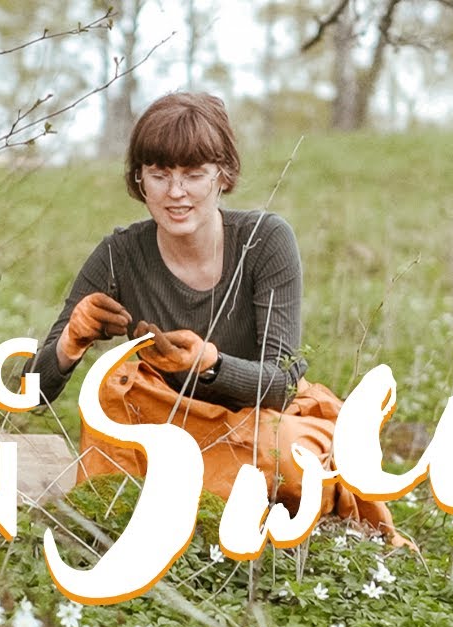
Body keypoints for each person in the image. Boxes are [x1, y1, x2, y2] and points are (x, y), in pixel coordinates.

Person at [25, 92, 406, 547]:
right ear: (139, 180)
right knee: (116, 391)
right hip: (167, 425)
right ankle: (179, 507)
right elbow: (30, 395)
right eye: (159, 175)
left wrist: (211, 363)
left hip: (257, 424)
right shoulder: (119, 255)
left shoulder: (264, 241)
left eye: (193, 174)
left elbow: (282, 379)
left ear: (222, 175)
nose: (176, 192)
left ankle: (217, 504)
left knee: (292, 458)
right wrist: (69, 344)